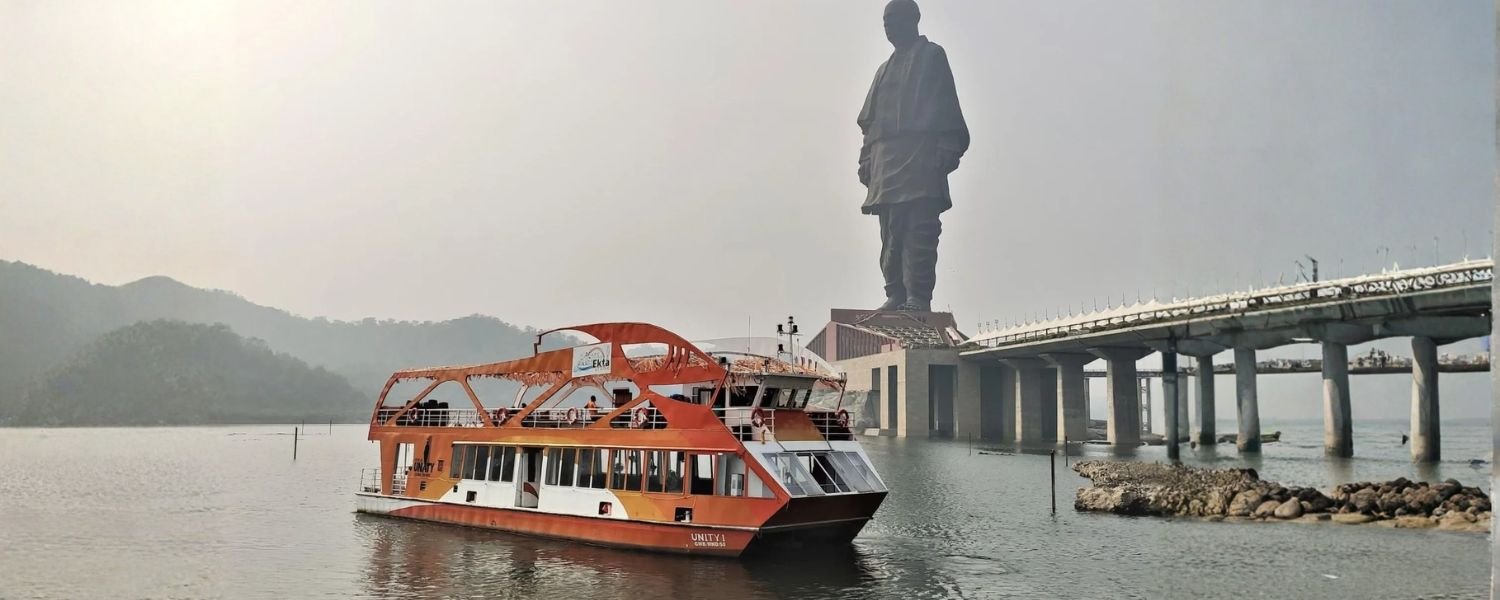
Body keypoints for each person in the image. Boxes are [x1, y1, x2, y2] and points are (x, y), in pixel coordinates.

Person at [857, 0, 969, 312]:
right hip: (885, 161)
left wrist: (947, 149)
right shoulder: (883, 69)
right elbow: (869, 123)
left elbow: (946, 105)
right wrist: (866, 159)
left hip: (919, 156)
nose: (888, 26)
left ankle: (917, 298)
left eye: (893, 18)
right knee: (890, 233)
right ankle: (895, 293)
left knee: (919, 230)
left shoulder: (932, 56)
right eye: (884, 21)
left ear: (913, 19)